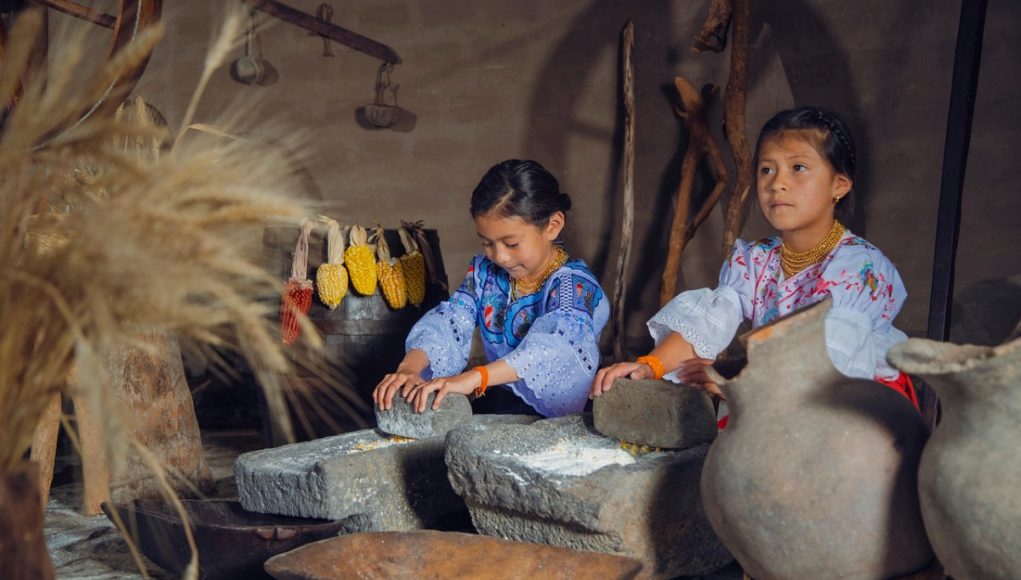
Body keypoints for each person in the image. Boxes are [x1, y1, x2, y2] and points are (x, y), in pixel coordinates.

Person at [590, 107, 919, 427]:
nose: (777, 183)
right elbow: (709, 323)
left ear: (839, 185)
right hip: (776, 396)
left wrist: (741, 383)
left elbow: (832, 366)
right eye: (766, 169)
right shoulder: (756, 259)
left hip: (852, 408)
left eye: (798, 167)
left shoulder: (859, 267)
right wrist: (651, 366)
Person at [374, 159, 609, 417]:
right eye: (487, 243)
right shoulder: (485, 274)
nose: (500, 257)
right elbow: (449, 321)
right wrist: (410, 367)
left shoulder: (573, 286)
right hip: (502, 402)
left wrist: (477, 377)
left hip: (558, 414)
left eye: (511, 243)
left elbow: (556, 349)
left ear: (552, 226)